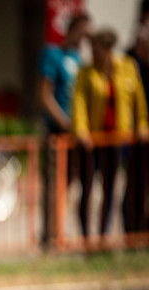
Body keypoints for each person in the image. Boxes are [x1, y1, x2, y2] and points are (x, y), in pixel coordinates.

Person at [72, 28, 149, 242]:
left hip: (117, 138)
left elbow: (139, 102)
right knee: (86, 189)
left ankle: (103, 237)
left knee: (110, 189)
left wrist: (142, 125)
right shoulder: (86, 73)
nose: (93, 53)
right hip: (92, 140)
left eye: (96, 48)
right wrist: (81, 131)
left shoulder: (127, 68)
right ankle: (86, 237)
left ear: (107, 49)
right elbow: (78, 104)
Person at [38, 13, 90, 245]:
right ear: (72, 30)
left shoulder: (79, 58)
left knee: (69, 183)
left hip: (75, 132)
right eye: (82, 31)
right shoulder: (52, 54)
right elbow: (44, 94)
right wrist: (64, 122)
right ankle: (50, 235)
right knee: (53, 182)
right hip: (56, 130)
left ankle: (60, 231)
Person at [125, 2, 149, 234]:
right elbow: (136, 101)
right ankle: (132, 232)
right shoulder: (130, 61)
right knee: (135, 188)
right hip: (136, 137)